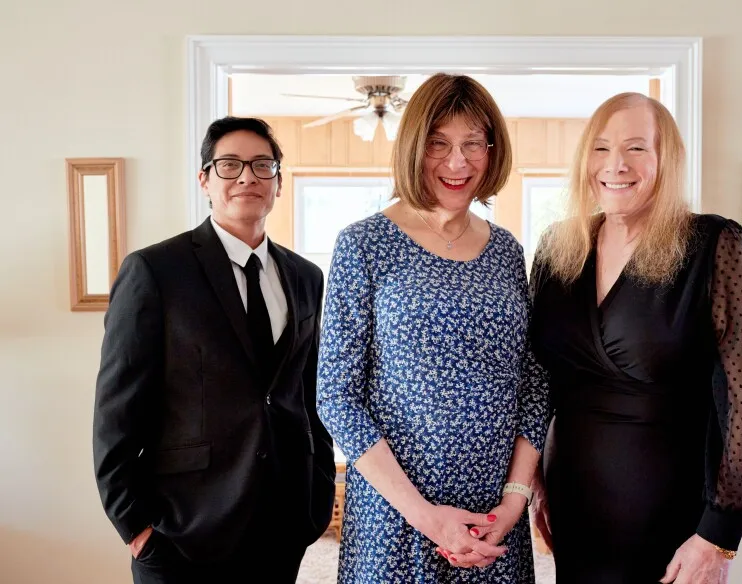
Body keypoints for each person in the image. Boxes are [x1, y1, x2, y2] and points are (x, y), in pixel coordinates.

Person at [528, 93, 742, 584]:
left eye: (636, 148)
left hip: (672, 511)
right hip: (574, 500)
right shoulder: (557, 249)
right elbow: (539, 379)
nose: (615, 165)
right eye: (600, 148)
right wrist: (534, 483)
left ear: (667, 161)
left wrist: (719, 534)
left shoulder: (714, 244)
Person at [317, 73, 550, 583]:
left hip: (494, 519)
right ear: (413, 147)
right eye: (438, 144)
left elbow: (534, 383)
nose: (457, 162)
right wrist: (426, 516)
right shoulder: (363, 245)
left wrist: (514, 501)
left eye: (473, 144)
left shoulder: (508, 251)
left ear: (492, 151)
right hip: (396, 516)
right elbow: (336, 396)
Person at [93, 116, 336, 583]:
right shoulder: (155, 270)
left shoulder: (307, 277)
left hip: (282, 520)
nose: (247, 176)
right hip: (181, 528)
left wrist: (317, 497)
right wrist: (134, 523)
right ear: (205, 179)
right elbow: (116, 409)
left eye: (262, 165)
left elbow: (311, 395)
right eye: (230, 165)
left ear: (278, 184)